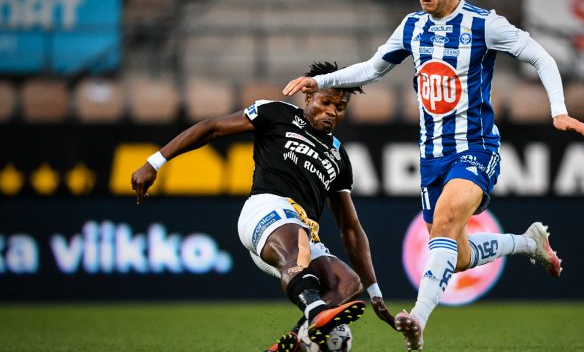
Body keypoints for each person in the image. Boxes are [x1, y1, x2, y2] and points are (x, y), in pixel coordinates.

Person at [283, 0, 584, 350]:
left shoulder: (484, 25)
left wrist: (559, 111)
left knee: (445, 221)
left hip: (476, 149)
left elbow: (540, 55)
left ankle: (418, 318)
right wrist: (323, 81)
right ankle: (528, 243)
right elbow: (374, 67)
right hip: (432, 158)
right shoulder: (413, 26)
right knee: (457, 255)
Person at [131, 62, 395, 352]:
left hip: (301, 232)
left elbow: (350, 228)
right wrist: (154, 162)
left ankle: (298, 340)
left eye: (340, 107)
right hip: (265, 210)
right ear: (309, 97)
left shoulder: (338, 157)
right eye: (326, 101)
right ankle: (317, 313)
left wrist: (375, 292)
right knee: (299, 243)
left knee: (346, 283)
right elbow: (213, 128)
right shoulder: (278, 113)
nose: (332, 111)